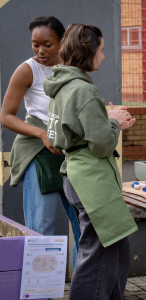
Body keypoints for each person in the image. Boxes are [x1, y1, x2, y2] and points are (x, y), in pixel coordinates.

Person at [43, 23, 138, 300]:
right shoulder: (83, 91)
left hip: (76, 173)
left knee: (115, 248)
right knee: (98, 255)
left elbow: (69, 131)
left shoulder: (61, 86)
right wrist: (114, 123)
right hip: (91, 178)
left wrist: (106, 120)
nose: (104, 56)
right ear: (89, 51)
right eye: (102, 50)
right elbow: (102, 145)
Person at [0, 16, 80, 271]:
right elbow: (5, 116)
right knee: (40, 227)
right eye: (35, 45)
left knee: (83, 224)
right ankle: (39, 293)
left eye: (48, 44)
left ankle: (83, 288)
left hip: (71, 154)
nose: (41, 51)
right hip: (39, 154)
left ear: (62, 42)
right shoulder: (27, 69)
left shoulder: (72, 67)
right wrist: (42, 134)